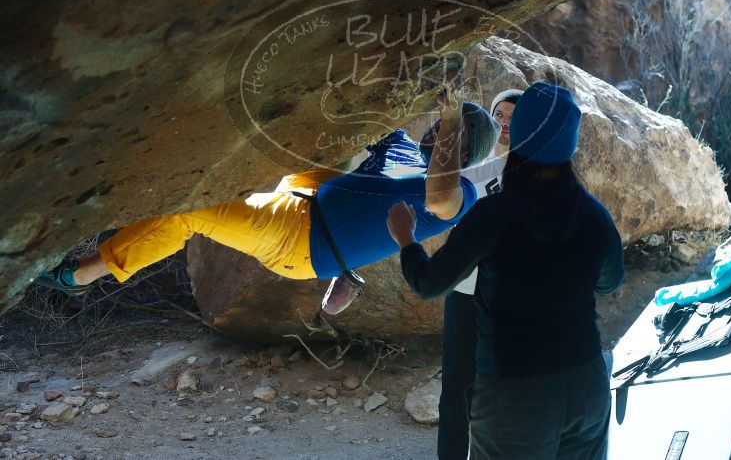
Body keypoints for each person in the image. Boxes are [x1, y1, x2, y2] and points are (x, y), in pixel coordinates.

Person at [35, 74, 500, 316]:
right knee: (318, 143)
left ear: (460, 150)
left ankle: (83, 275)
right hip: (305, 202)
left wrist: (453, 113)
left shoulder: (456, 195)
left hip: (298, 240)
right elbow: (363, 118)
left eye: (447, 132)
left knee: (187, 214)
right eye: (439, 125)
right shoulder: (403, 149)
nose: (437, 129)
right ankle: (348, 273)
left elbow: (439, 201)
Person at [387, 82, 624, 459]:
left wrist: (406, 239)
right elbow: (610, 283)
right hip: (586, 384)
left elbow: (430, 283)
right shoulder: (595, 215)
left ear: (523, 132)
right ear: (572, 143)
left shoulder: (496, 213)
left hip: (516, 393)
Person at [438, 88, 521, 460]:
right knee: (456, 385)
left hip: (513, 297)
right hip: (465, 291)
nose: (504, 123)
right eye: (498, 115)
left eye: (513, 117)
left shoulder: (534, 173)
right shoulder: (469, 166)